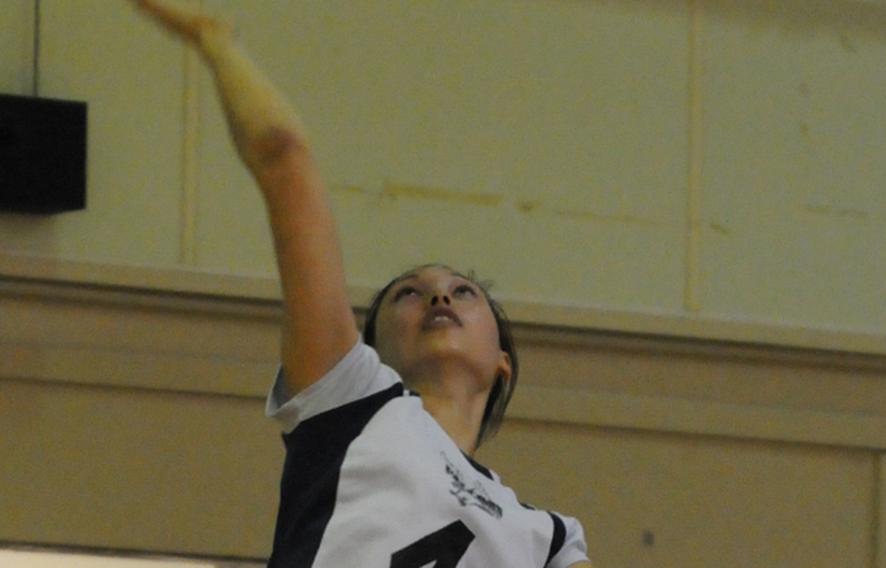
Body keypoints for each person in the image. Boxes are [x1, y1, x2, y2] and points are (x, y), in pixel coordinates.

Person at [133, 1, 592, 566]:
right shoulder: (354, 397)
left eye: (464, 292)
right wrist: (216, 39)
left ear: (504, 361)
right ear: (369, 352)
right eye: (409, 294)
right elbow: (284, 159)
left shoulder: (548, 537)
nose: (439, 298)